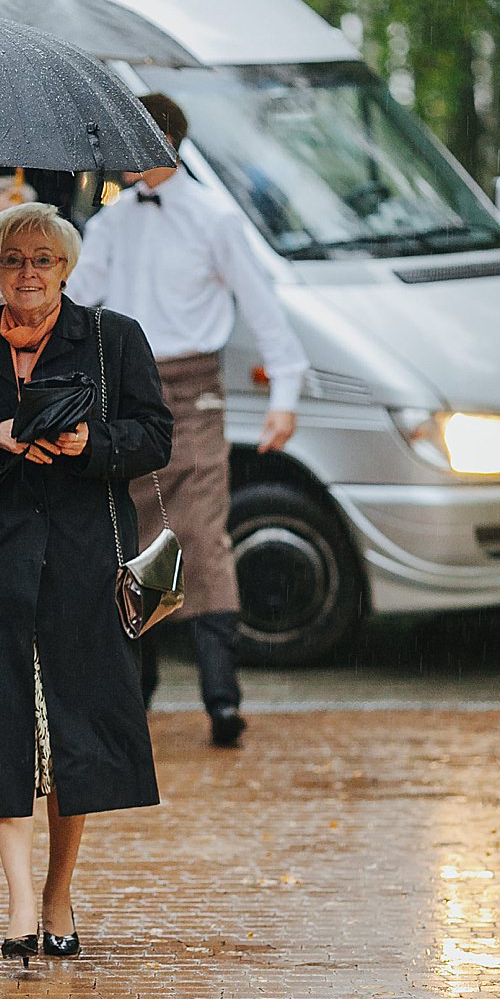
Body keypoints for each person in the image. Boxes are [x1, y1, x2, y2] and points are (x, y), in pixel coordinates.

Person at [0, 202, 172, 964]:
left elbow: (156, 435)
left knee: (75, 734)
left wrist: (88, 441)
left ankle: (59, 890)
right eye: (11, 260)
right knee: (3, 728)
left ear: (65, 266)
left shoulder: (111, 338)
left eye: (41, 259)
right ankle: (20, 896)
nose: (26, 274)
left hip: (84, 562)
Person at [69, 92, 309, 748]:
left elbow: (263, 309)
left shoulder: (215, 217)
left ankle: (222, 700)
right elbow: (80, 301)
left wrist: (284, 395)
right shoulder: (109, 224)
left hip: (196, 391)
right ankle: (133, 699)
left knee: (203, 539)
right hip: (126, 391)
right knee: (134, 543)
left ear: (165, 140)